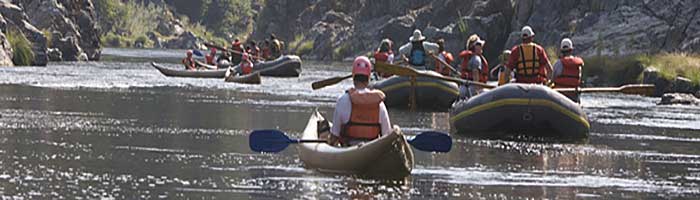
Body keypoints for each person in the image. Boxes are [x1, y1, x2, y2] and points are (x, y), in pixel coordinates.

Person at [329, 56, 393, 146]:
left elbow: (334, 135)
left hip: (348, 149)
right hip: (372, 149)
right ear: (369, 78)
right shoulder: (379, 103)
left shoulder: (342, 100)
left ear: (353, 77)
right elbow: (386, 135)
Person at [552, 38, 584, 102]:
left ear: (561, 51)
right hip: (573, 95)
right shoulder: (578, 65)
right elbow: (579, 79)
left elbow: (553, 78)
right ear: (571, 50)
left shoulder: (558, 63)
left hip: (560, 95)